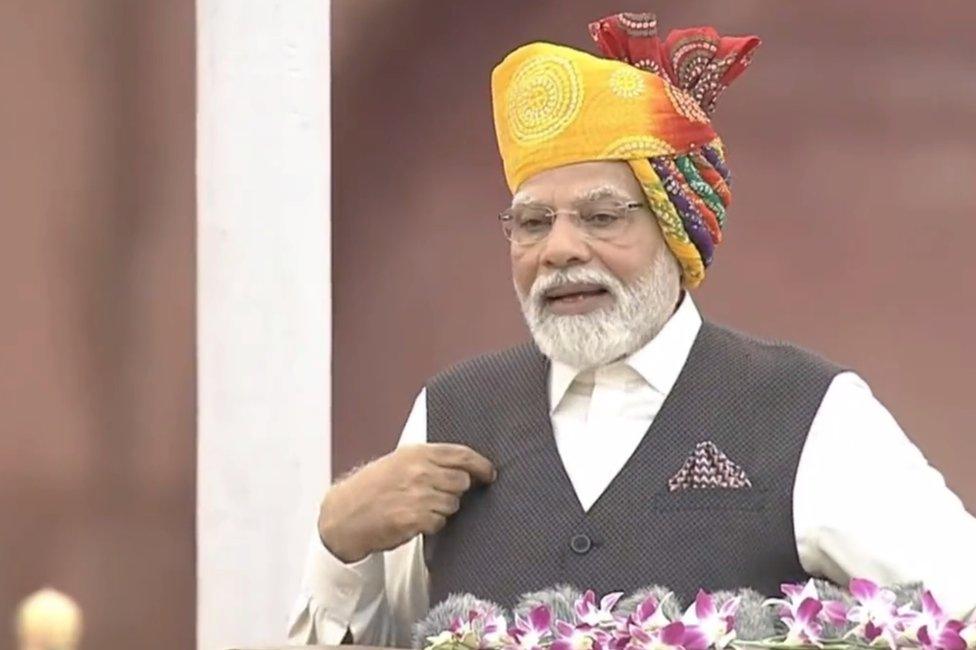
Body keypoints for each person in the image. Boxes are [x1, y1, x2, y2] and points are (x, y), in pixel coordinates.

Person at [288, 11, 976, 647]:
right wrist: (339, 548)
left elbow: (963, 608)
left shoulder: (802, 412)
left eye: (601, 216)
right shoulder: (453, 414)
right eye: (532, 223)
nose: (558, 250)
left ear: (677, 233)